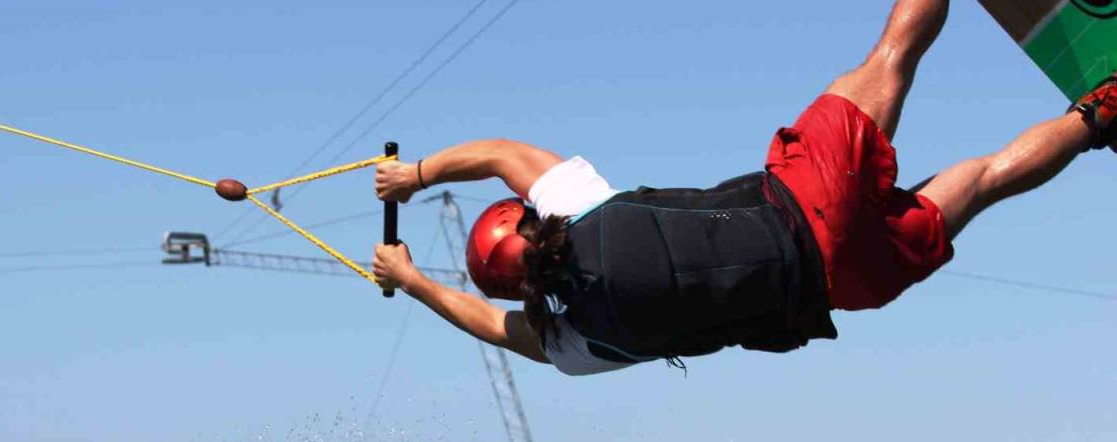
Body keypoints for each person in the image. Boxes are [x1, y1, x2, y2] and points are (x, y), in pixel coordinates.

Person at [371, 0, 1116, 376]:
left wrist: (410, 282)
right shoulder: (577, 209)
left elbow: (494, 329)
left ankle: (1099, 111)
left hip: (835, 284)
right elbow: (503, 152)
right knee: (891, 56)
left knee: (980, 183)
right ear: (527, 221)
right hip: (807, 192)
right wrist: (416, 173)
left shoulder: (575, 342)